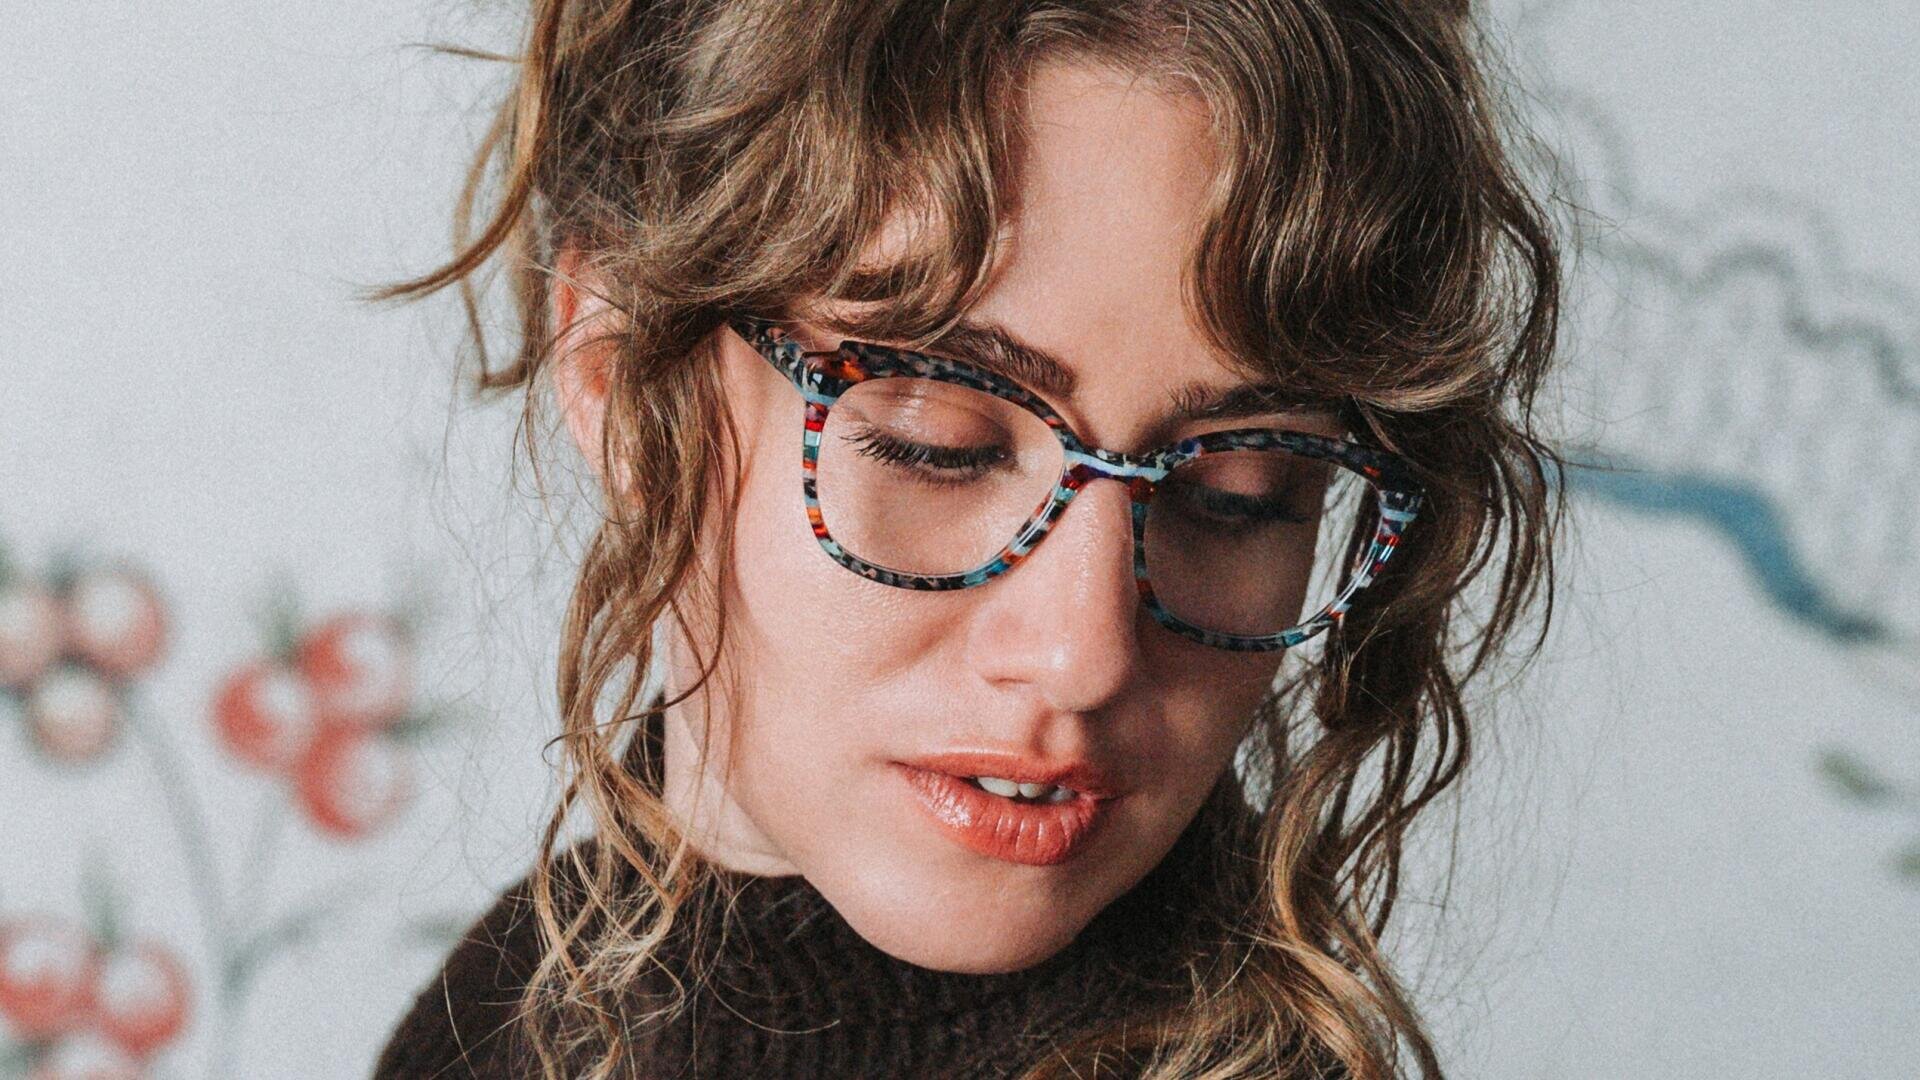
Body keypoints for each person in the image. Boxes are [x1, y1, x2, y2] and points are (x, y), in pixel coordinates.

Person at [370, 0, 1562, 1076]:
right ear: (622, 378)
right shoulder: (492, 1025)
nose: (1084, 655)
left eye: (1240, 492)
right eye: (940, 445)